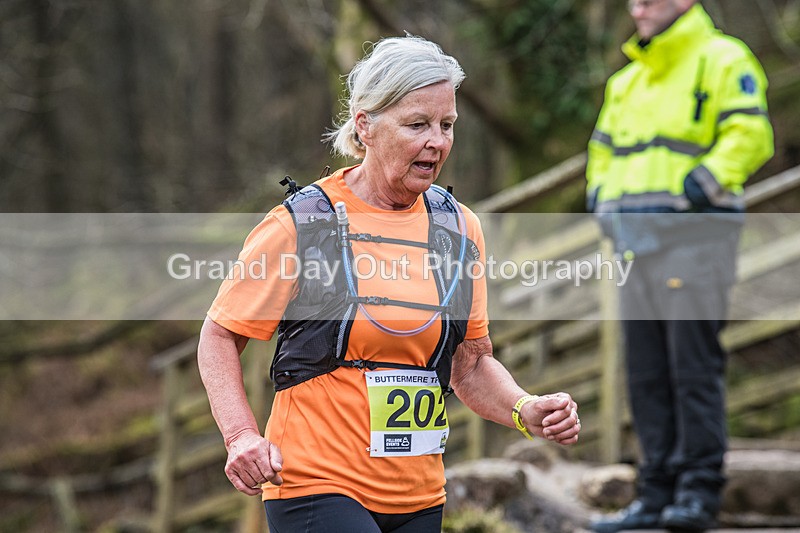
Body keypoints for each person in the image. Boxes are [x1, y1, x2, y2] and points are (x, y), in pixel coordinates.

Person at [198, 35, 581, 533]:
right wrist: (241, 436)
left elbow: (470, 363)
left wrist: (524, 408)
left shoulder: (457, 228)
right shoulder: (304, 223)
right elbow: (220, 334)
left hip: (419, 494)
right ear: (366, 126)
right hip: (315, 481)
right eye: (417, 125)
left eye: (446, 125)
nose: (437, 141)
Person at [586, 1, 773, 532]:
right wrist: (603, 204)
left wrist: (697, 188)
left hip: (696, 239)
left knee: (691, 366)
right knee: (645, 370)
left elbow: (752, 136)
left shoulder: (724, 58)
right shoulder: (625, 81)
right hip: (633, 243)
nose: (637, 7)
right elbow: (600, 155)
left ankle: (698, 491)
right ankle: (655, 493)